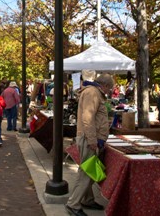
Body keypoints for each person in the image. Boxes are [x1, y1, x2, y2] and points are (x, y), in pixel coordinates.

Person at [65, 70, 113, 216]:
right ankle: (73, 204)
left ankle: (87, 199)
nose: (109, 91)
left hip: (89, 138)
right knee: (86, 172)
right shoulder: (92, 93)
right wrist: (92, 140)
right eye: (109, 88)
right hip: (88, 138)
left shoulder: (93, 92)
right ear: (104, 85)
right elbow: (88, 118)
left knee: (89, 171)